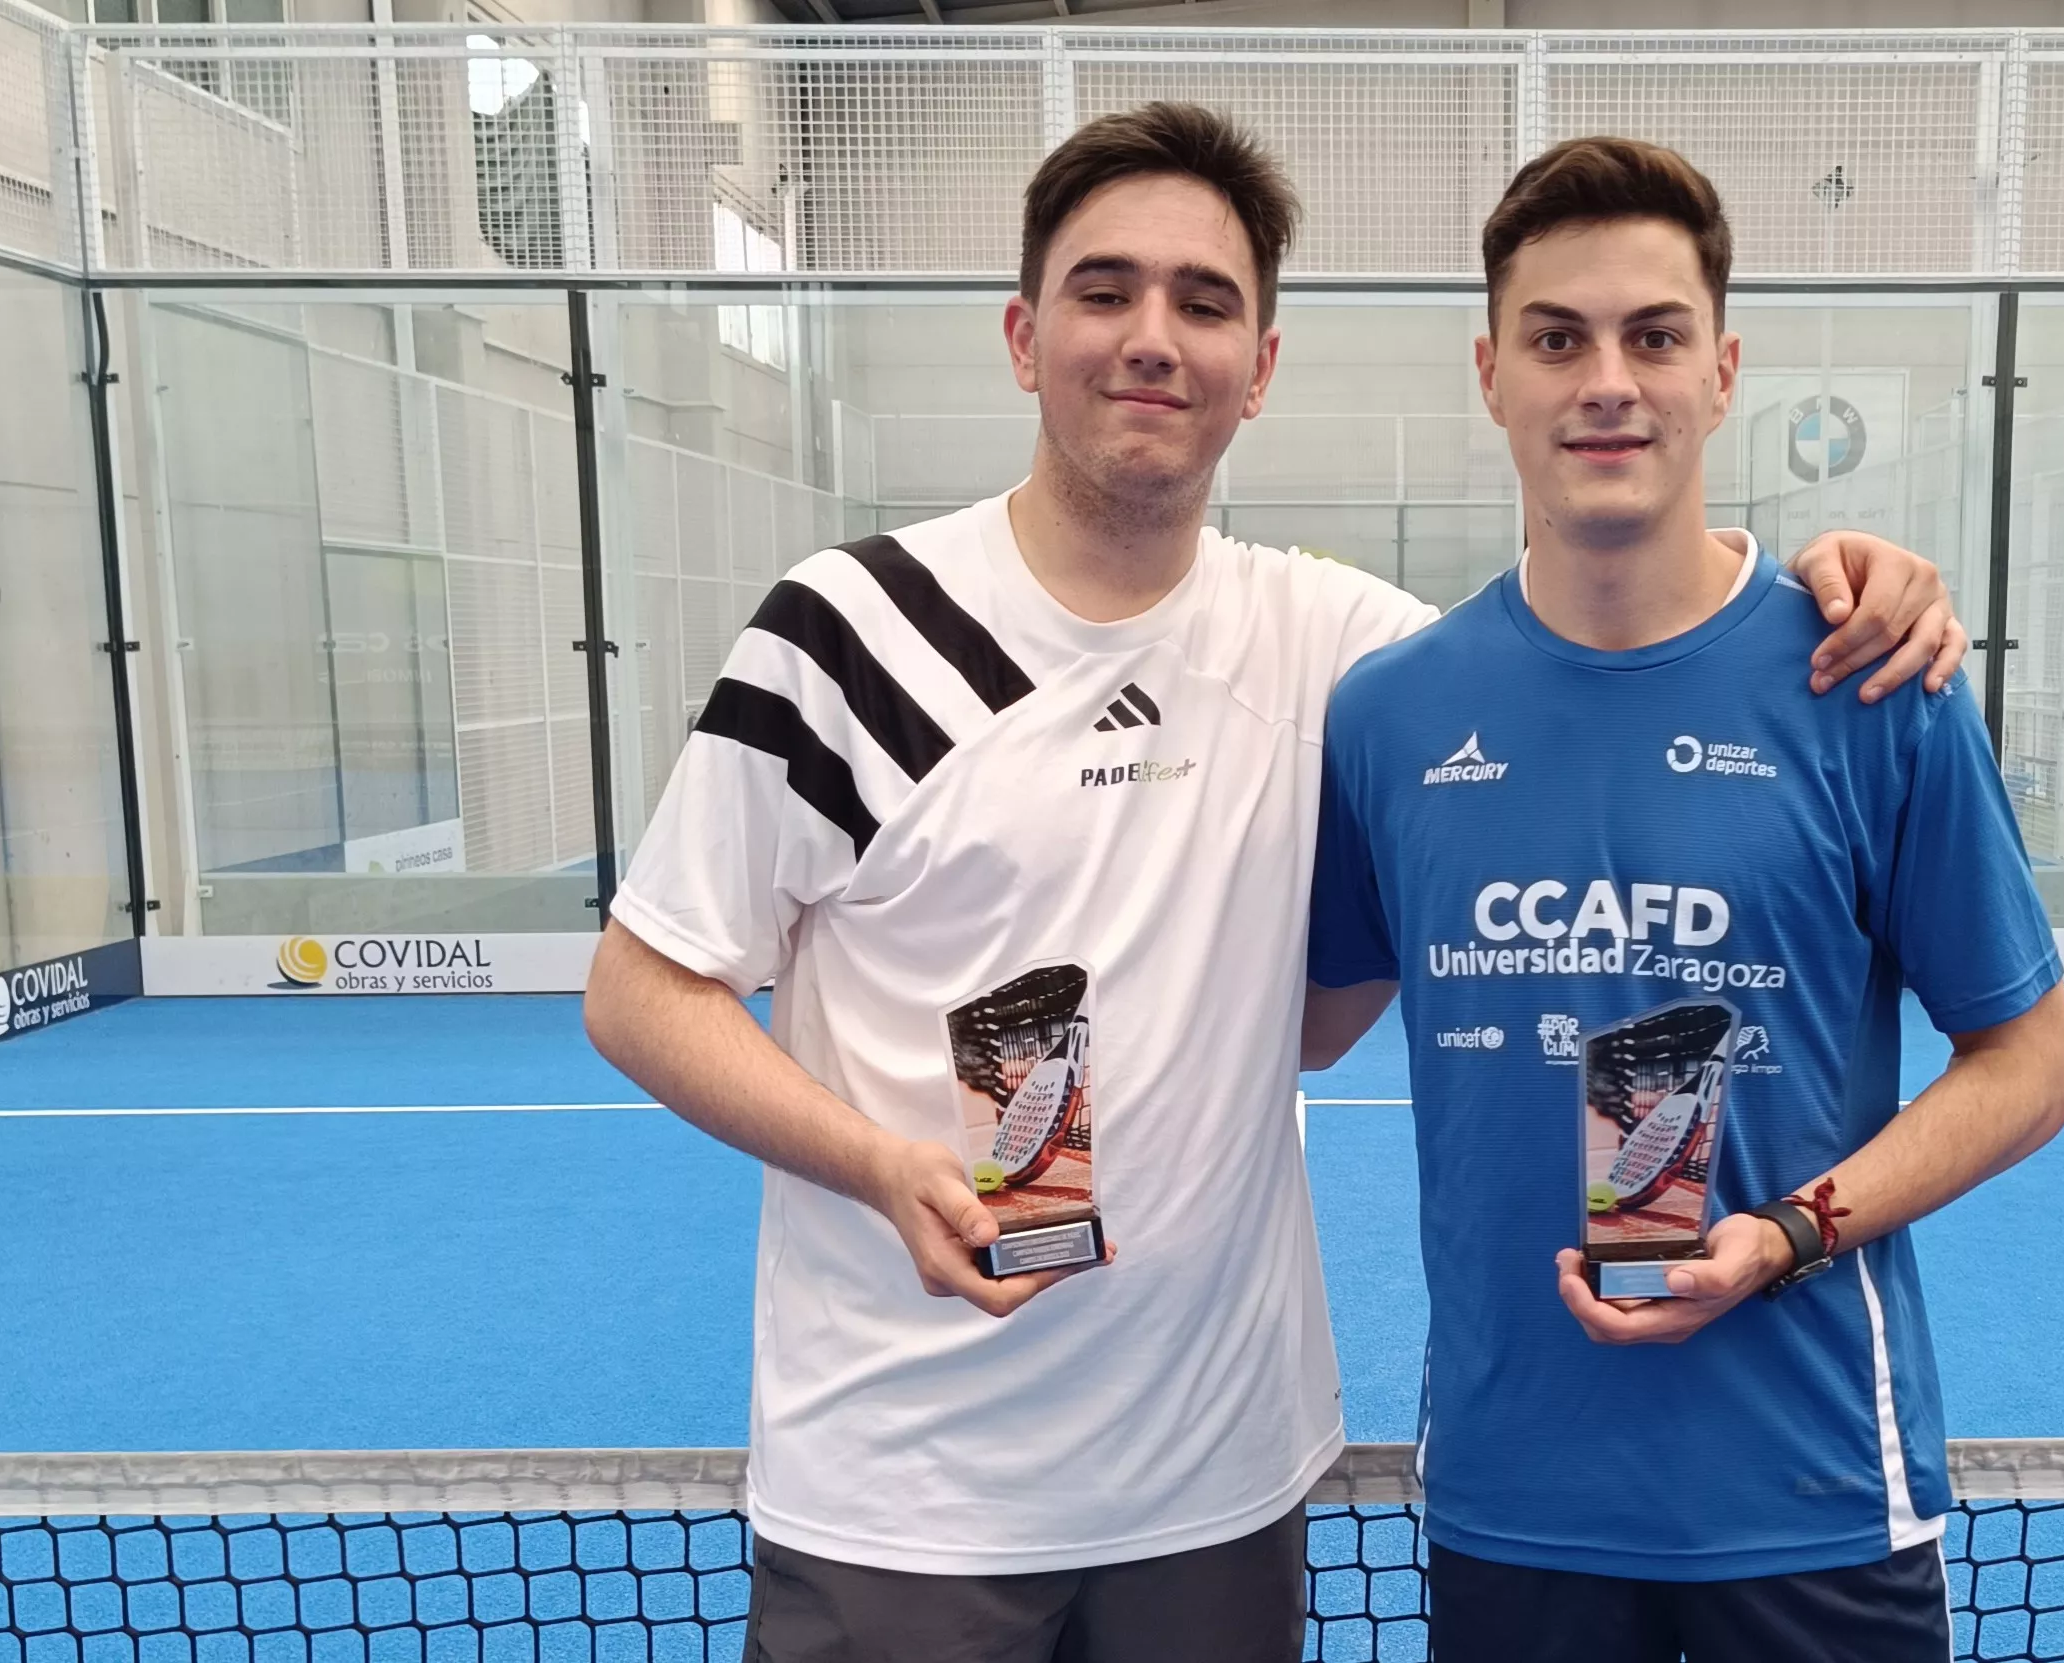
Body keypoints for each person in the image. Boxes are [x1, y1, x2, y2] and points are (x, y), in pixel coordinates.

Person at [579, 104, 1969, 1663]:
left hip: (1217, 1494)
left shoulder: (1342, 653)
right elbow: (641, 987)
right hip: (904, 1488)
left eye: (1205, 302)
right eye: (1104, 294)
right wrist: (876, 1162)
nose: (1152, 340)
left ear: (1263, 363)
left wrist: (1831, 577)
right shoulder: (845, 628)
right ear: (1026, 336)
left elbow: (1593, 652)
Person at [1301, 136, 2064, 1663]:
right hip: (1513, 1498)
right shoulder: (1387, 715)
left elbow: (2032, 1062)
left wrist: (1788, 1231)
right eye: (1557, 338)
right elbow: (1299, 1024)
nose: (1609, 381)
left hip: (1809, 1492)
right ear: (1491, 373)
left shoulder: (1870, 680)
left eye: (1654, 336)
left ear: (1722, 372)